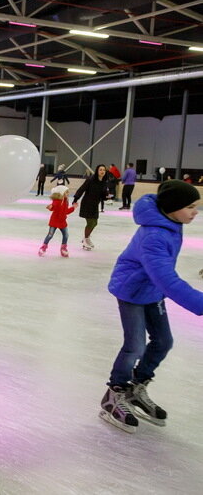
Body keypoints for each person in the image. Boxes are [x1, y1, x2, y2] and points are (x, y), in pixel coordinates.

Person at [100, 180, 203, 434]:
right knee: (135, 345)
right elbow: (167, 279)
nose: (195, 212)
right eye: (190, 207)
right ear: (172, 207)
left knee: (163, 341)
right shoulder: (154, 235)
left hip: (152, 290)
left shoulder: (171, 223)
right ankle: (115, 393)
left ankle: (136, 388)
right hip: (132, 291)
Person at [72, 164, 109, 250]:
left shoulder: (104, 182)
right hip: (87, 204)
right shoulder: (90, 179)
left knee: (95, 223)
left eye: (104, 170)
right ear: (97, 171)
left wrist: (107, 197)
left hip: (95, 205)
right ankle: (85, 240)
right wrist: (75, 199)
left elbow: (103, 195)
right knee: (90, 223)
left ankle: (86, 238)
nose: (102, 171)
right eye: (100, 170)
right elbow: (82, 189)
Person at [38, 185, 75, 258]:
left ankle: (63, 248)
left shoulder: (65, 201)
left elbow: (66, 211)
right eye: (66, 192)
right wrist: (50, 207)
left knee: (66, 235)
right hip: (54, 221)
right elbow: (53, 206)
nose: (68, 194)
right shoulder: (57, 201)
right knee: (50, 235)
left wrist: (73, 208)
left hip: (62, 221)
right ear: (61, 193)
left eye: (68, 192)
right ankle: (43, 247)